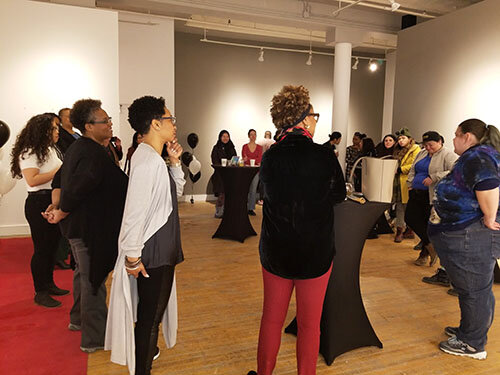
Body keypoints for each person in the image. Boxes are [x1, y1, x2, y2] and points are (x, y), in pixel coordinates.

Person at [247, 85, 346, 375]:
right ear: (303, 119)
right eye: (313, 115)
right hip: (314, 253)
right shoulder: (324, 155)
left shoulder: (271, 156)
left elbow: (267, 192)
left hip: (276, 252)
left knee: (271, 320)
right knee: (309, 324)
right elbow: (339, 195)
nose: (316, 120)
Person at [105, 96, 185, 375]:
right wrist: (132, 256)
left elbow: (172, 197)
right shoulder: (147, 160)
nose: (173, 124)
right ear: (154, 123)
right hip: (156, 249)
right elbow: (135, 211)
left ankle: (147, 356)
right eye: (169, 119)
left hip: (160, 245)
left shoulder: (151, 157)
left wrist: (174, 163)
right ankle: (143, 369)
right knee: (151, 317)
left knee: (152, 314)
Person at [45, 99, 128, 353]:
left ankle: (77, 319)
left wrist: (58, 206)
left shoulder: (79, 148)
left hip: (79, 227)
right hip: (88, 228)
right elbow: (77, 188)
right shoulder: (92, 153)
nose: (110, 124)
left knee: (83, 274)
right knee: (93, 280)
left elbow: (60, 180)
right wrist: (61, 209)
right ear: (89, 126)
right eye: (105, 121)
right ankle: (94, 339)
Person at [428, 119, 500, 360]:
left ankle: (472, 343)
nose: (453, 139)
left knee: (474, 291)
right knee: (474, 289)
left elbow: (488, 184)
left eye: (456, 135)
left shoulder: (479, 156)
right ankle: (470, 330)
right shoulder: (478, 155)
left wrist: (490, 217)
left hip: (472, 234)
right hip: (468, 233)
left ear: (467, 136)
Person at [10, 113, 68, 308]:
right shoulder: (29, 152)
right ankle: (40, 291)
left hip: (52, 198)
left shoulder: (50, 150)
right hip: (38, 201)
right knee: (42, 248)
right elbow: (32, 180)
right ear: (42, 130)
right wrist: (59, 171)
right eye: (53, 128)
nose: (57, 131)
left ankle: (49, 283)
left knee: (52, 247)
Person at [406, 131, 457, 267]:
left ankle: (425, 253)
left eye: (431, 145)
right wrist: (410, 183)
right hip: (415, 192)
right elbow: (413, 168)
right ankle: (430, 247)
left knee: (426, 224)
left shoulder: (447, 154)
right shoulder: (422, 153)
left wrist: (435, 177)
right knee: (410, 218)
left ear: (440, 141)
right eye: (425, 145)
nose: (427, 148)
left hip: (431, 195)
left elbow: (455, 170)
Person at [393, 128, 420, 242]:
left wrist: (400, 169)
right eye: (399, 138)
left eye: (403, 138)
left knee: (407, 207)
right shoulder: (397, 150)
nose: (400, 140)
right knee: (399, 206)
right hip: (398, 181)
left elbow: (414, 164)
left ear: (410, 139)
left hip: (408, 181)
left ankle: (408, 230)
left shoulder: (415, 149)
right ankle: (400, 230)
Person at [210, 130, 237, 218]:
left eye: (227, 136)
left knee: (229, 194)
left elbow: (234, 159)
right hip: (220, 174)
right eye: (223, 136)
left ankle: (228, 212)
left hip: (230, 174)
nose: (225, 138)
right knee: (221, 194)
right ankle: (219, 212)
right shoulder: (216, 148)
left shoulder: (231, 147)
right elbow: (214, 160)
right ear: (220, 137)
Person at [242, 129, 263, 216]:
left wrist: (249, 160)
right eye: (251, 134)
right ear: (248, 136)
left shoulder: (259, 147)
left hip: (256, 171)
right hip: (246, 170)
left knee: (253, 189)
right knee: (245, 189)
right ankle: (243, 207)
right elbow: (244, 158)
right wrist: (252, 160)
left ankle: (251, 208)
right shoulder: (245, 147)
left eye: (254, 134)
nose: (253, 136)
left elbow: (260, 159)